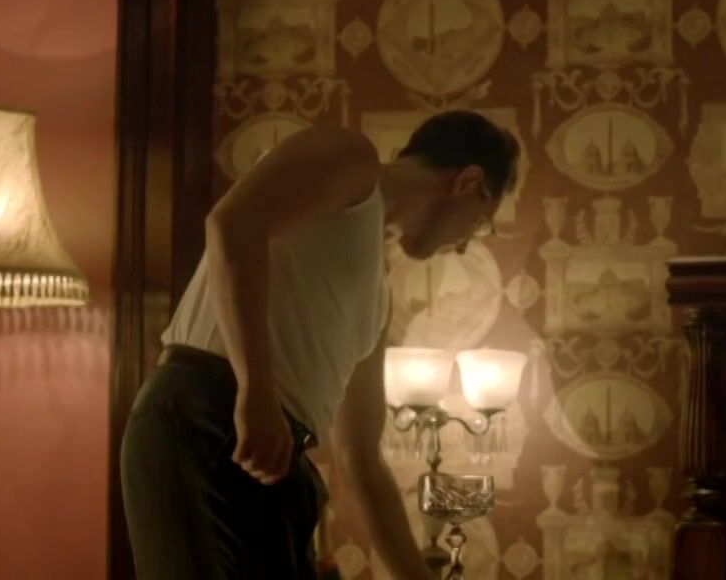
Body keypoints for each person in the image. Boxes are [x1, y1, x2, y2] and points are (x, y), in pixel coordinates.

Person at [120, 110, 520, 579]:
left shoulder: (378, 292)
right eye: (482, 224)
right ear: (468, 182)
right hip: (207, 419)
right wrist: (257, 392)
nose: (466, 244)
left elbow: (362, 460)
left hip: (272, 454)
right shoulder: (351, 159)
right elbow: (231, 223)